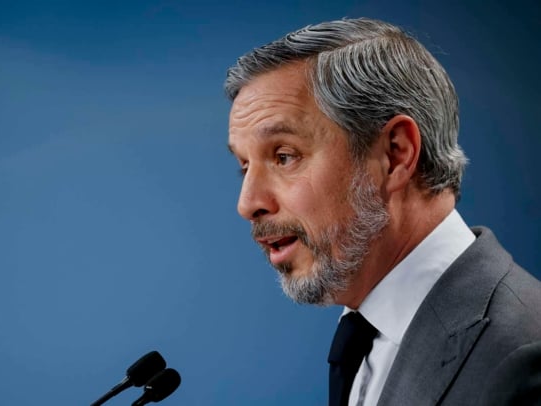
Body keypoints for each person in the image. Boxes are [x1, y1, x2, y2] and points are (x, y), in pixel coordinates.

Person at [224, 18, 541, 405]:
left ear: (395, 154)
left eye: (284, 156)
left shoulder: (524, 358)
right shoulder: (365, 334)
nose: (247, 203)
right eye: (244, 166)